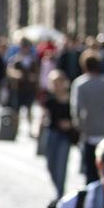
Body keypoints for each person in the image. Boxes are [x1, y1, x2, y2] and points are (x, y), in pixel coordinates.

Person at [71, 50, 104, 183]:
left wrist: (81, 128)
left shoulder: (80, 84)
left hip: (91, 135)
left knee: (91, 175)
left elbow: (76, 110)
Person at [40, 69, 77, 197]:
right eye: (54, 82)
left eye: (59, 82)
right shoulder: (49, 100)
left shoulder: (72, 99)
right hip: (51, 134)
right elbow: (44, 116)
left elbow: (79, 116)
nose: (57, 85)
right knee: (50, 164)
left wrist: (71, 124)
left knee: (61, 165)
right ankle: (58, 189)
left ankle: (60, 194)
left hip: (65, 136)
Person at [6, 38, 39, 133]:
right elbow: (9, 71)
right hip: (18, 88)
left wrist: (34, 78)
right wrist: (16, 74)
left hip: (29, 88)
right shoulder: (15, 59)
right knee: (16, 111)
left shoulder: (33, 60)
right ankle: (15, 129)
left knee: (29, 110)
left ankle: (30, 129)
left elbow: (37, 73)